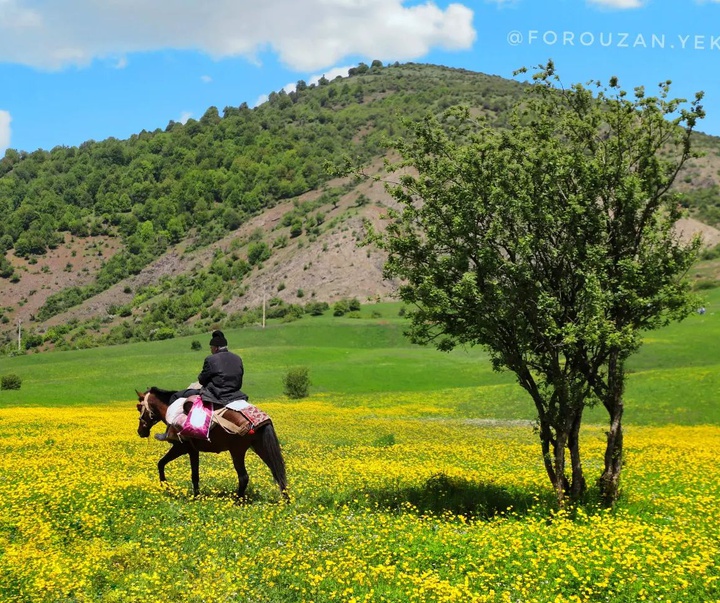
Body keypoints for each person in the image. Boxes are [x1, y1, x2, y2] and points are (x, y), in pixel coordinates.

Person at [155, 330, 248, 441]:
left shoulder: (211, 359)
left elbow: (202, 380)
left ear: (216, 348)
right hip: (236, 394)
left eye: (211, 348)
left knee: (177, 396)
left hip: (216, 395)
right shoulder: (237, 358)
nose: (211, 350)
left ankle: (169, 432)